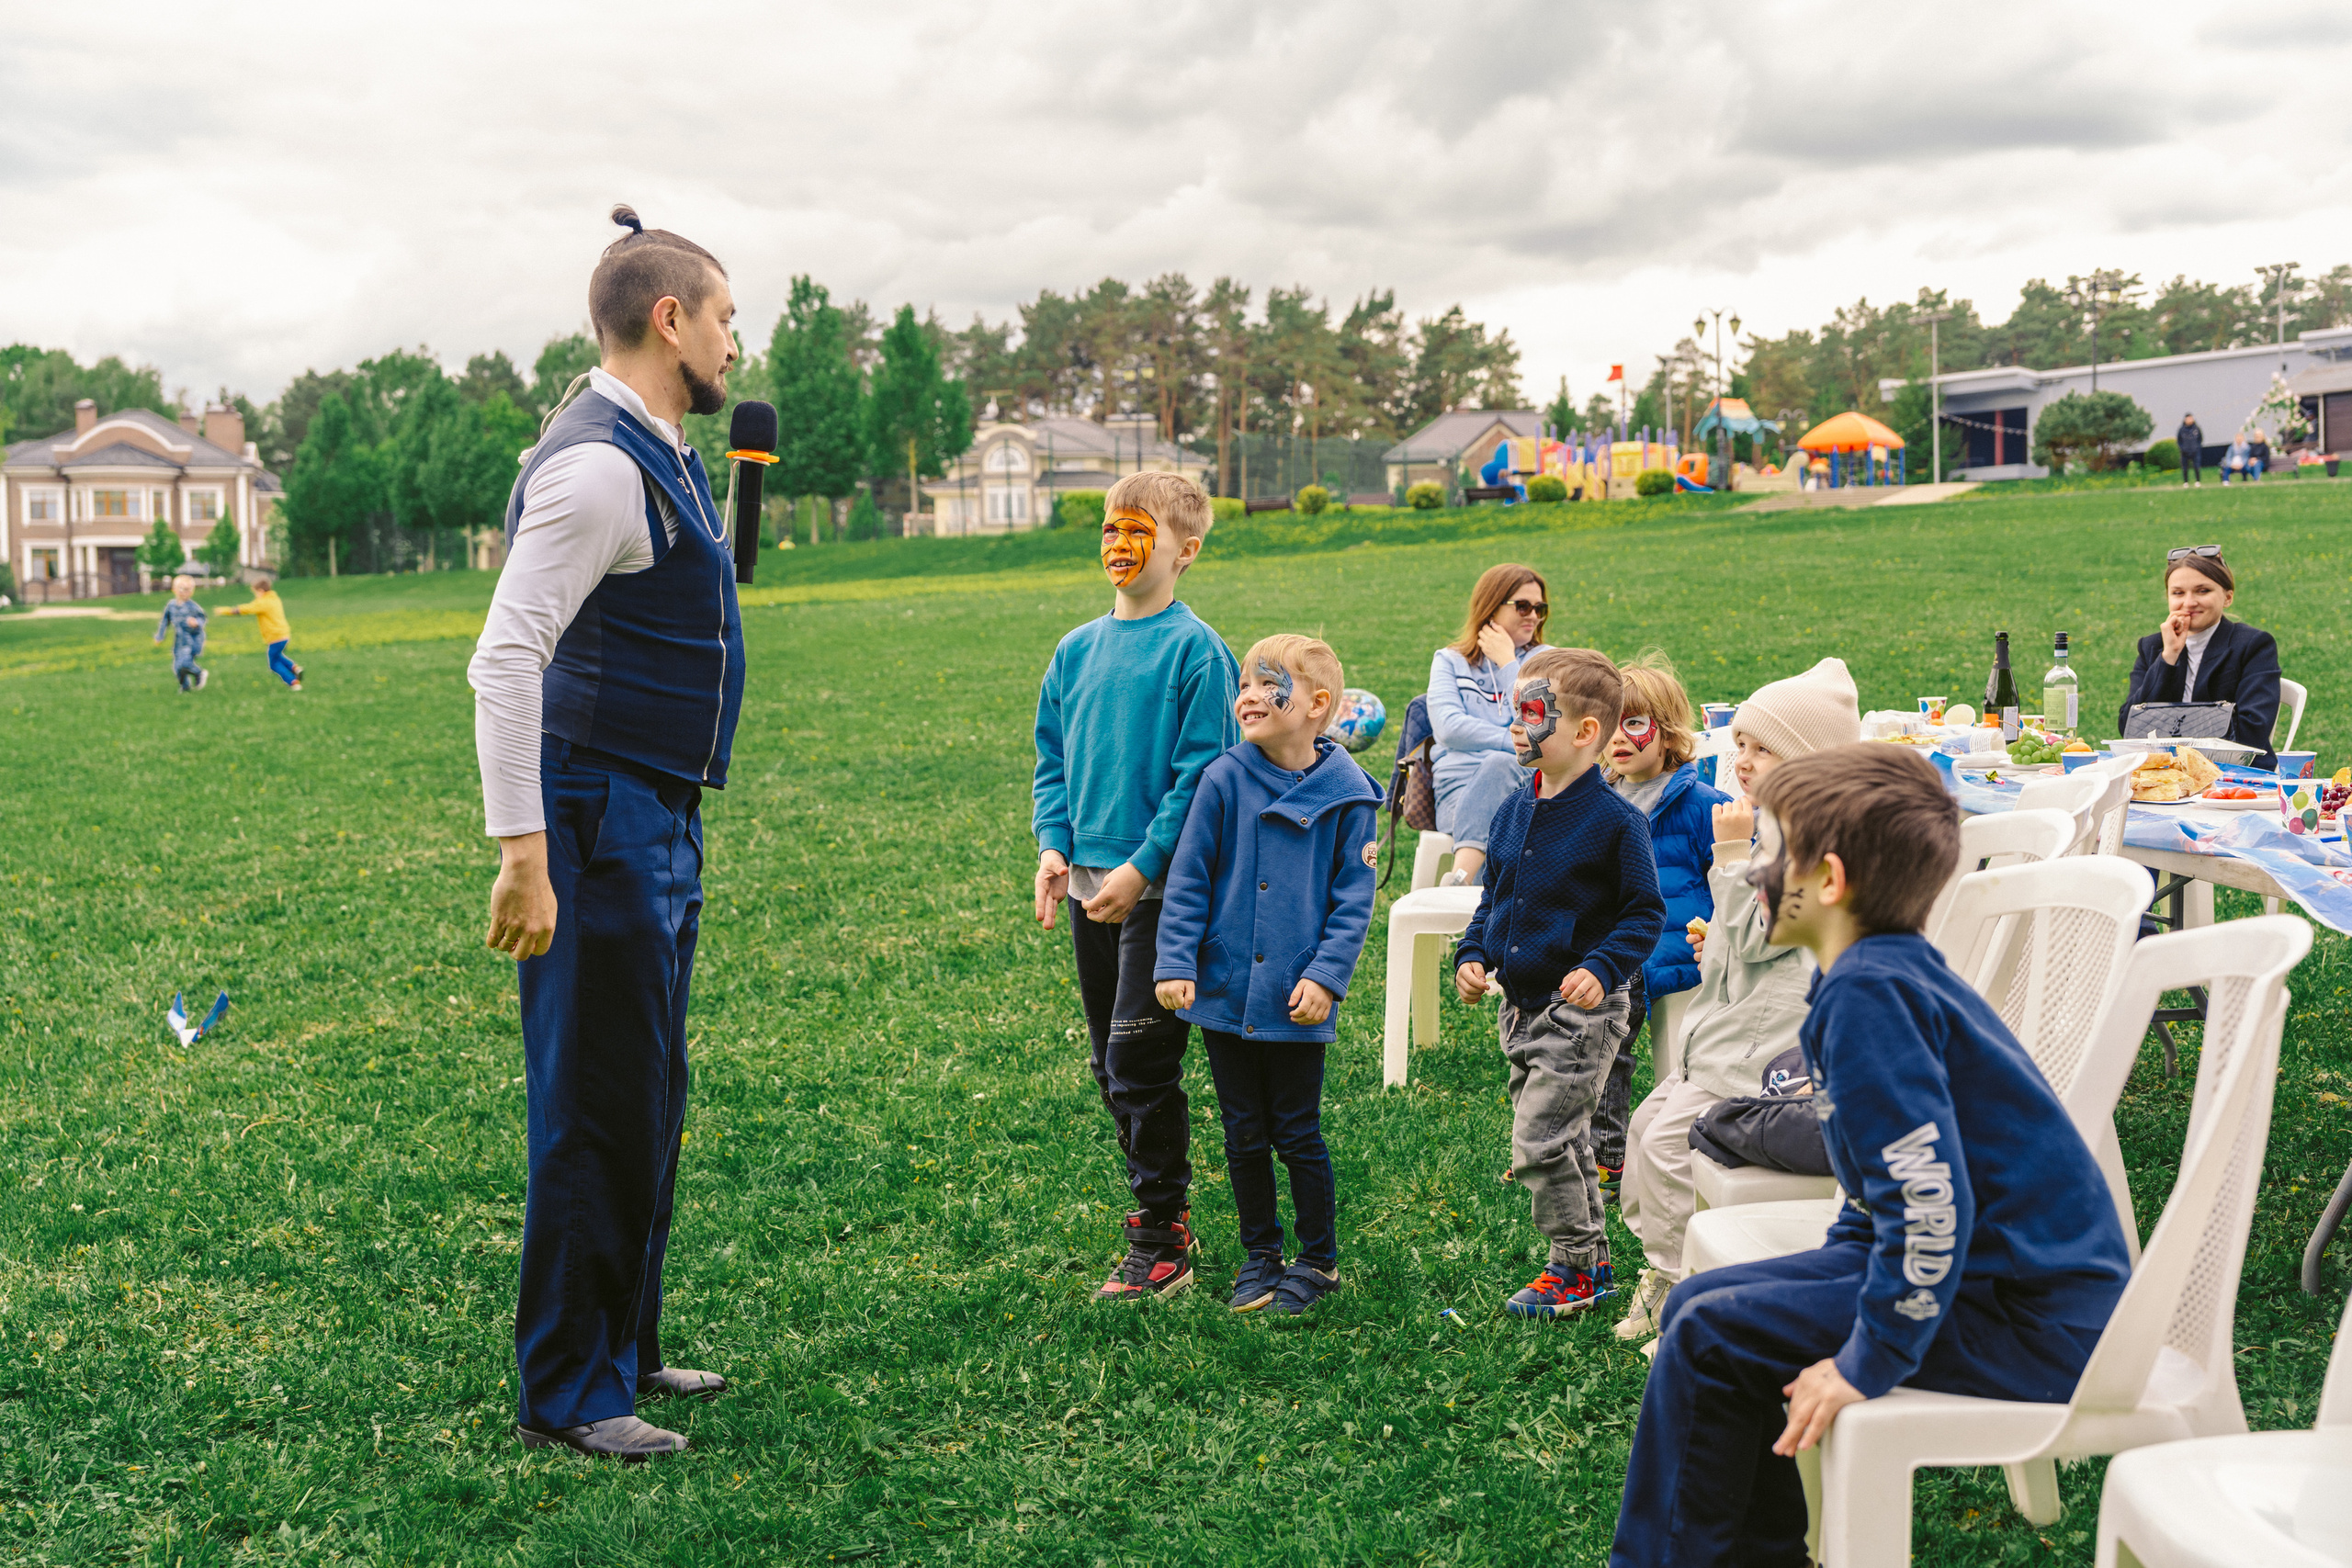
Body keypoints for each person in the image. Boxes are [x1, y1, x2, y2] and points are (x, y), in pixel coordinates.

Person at [1609, 746, 2133, 1568]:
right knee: (1701, 1306)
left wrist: (1867, 1360)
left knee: (1710, 1328)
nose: (1756, 873)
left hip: (2035, 1324)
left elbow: (1930, 1209)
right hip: (1988, 1290)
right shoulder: (1869, 974)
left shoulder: (1869, 997)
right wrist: (1820, 1292)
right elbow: (1876, 1198)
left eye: (1774, 853)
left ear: (1831, 880)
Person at [469, 205, 744, 1461]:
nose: (738, 346)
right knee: (592, 1096)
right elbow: (503, 658)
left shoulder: (660, 445)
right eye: (727, 319)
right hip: (593, 816)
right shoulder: (593, 464)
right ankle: (570, 1387)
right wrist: (524, 849)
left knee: (648, 1086)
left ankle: (623, 1346)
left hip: (655, 813)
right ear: (670, 319)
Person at [1033, 469, 1239, 1303]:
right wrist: (1055, 847)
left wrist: (1142, 866)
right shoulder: (1075, 649)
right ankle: (1163, 1211)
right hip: (1089, 884)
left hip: (1161, 893)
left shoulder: (1198, 652)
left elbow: (1197, 778)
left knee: (1137, 1056)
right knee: (1106, 1062)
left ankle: (1162, 1237)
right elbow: (1052, 756)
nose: (1119, 544)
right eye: (1111, 529)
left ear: (1185, 550)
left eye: (1139, 530)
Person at [1615, 656, 1860, 1343]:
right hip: (1725, 1038)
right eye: (1741, 745)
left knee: (1664, 1144)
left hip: (1768, 1057)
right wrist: (1713, 943)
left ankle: (1677, 1285)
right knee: (1644, 1133)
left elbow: (1764, 933)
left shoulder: (1816, 843)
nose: (1743, 760)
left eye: (1762, 748)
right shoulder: (1781, 830)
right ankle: (1678, 1258)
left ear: (1809, 760)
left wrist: (1726, 860)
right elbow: (1741, 943)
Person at [1153, 634, 1382, 1316]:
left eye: (1267, 683)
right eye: (1246, 683)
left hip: (1296, 996)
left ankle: (1318, 1259)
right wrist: (1175, 960)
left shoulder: (1349, 799)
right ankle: (1261, 1253)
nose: (1248, 694)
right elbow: (1189, 877)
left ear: (1317, 705)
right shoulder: (1224, 777)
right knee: (1242, 1131)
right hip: (1225, 990)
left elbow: (1353, 901)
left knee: (1296, 1131)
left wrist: (1327, 976)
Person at [1453, 647, 1666, 1318]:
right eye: (1514, 709)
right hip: (1521, 1008)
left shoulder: (1616, 822)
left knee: (1539, 1142)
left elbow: (1644, 913)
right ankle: (1594, 1260)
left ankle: (1571, 1265)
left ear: (1585, 732)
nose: (1518, 723)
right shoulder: (1515, 811)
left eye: (1534, 710)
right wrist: (1472, 952)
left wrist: (1601, 968)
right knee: (1561, 1137)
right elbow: (1496, 898)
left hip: (1583, 1013)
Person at [1590, 651, 1728, 1202]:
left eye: (1636, 723)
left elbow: (1737, 879)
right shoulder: (1601, 800)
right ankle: (1563, 1138)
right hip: (1612, 945)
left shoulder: (1700, 806)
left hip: (1665, 952)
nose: (1620, 738)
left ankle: (1608, 1155)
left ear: (1666, 734)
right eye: (1610, 726)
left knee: (1604, 1026)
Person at [1426, 563, 1550, 886]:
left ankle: (1461, 881)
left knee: (1500, 769)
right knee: (1505, 824)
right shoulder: (1450, 660)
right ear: (1490, 606)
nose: (1533, 616)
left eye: (1540, 608)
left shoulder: (1547, 660)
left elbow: (1540, 722)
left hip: (1527, 785)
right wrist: (1516, 740)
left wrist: (1510, 663)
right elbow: (1449, 728)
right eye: (1522, 606)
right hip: (1459, 790)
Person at [2118, 546, 2282, 769]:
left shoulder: (2253, 645)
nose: (2189, 602)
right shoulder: (2153, 646)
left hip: (2234, 774)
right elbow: (2129, 725)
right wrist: (2168, 658)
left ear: (2227, 597)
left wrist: (2175, 737)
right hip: (2166, 773)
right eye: (2178, 593)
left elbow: (2252, 729)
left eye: (2202, 591)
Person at [218, 578, 300, 690]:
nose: (255, 595)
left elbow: (247, 609)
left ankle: (293, 681)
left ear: (261, 591)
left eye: (255, 592)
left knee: (273, 664)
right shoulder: (274, 599)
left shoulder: (263, 602)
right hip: (284, 634)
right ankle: (295, 668)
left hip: (275, 636)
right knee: (277, 656)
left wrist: (226, 611)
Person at [153, 574, 209, 693]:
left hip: (193, 638)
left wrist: (196, 622)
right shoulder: (171, 605)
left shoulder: (193, 607)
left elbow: (203, 618)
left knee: (184, 662)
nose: (183, 592)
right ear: (174, 589)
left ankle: (199, 673)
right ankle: (185, 686)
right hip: (180, 639)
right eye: (181, 588)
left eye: (187, 589)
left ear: (192, 592)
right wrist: (160, 636)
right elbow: (165, 621)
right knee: (177, 667)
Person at [2176, 412, 2203, 486]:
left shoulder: (2196, 429)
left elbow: (2200, 439)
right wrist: (2182, 448)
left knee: (2196, 466)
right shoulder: (2181, 430)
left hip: (2195, 451)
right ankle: (2186, 482)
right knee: (2185, 467)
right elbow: (2179, 440)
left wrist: (2197, 447)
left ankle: (2197, 481)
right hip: (2184, 452)